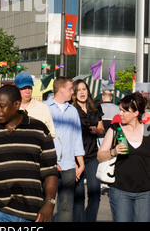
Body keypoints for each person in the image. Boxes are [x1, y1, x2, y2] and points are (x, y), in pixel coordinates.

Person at [0, 84, 58, 223]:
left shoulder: (39, 130)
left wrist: (49, 203)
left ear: (16, 104)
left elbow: (50, 171)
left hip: (33, 213)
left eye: (2, 106)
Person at [97, 92, 150, 222]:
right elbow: (100, 156)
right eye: (120, 110)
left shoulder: (148, 130)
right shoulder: (115, 129)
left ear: (136, 113)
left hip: (146, 192)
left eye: (124, 111)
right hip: (120, 191)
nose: (120, 113)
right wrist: (113, 152)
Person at [44, 76, 85, 222]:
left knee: (66, 207)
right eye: (70, 89)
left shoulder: (72, 110)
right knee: (45, 205)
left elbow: (76, 137)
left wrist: (81, 162)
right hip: (48, 165)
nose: (72, 92)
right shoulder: (45, 108)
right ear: (61, 90)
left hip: (68, 165)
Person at [72, 79, 104, 222]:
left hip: (92, 156)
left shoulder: (95, 106)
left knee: (95, 195)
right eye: (78, 90)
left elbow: (102, 131)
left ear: (88, 91)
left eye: (84, 89)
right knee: (78, 197)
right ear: (74, 93)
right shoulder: (71, 109)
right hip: (75, 157)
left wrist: (97, 130)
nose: (82, 92)